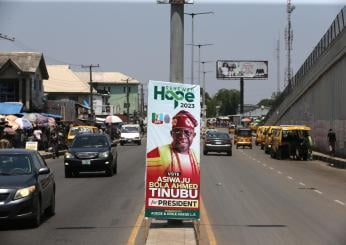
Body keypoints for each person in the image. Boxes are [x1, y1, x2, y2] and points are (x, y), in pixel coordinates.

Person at [146, 110, 199, 180]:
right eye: (177, 132)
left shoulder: (196, 155)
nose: (182, 136)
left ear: (194, 135)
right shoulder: (158, 153)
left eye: (187, 132)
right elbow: (151, 181)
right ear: (171, 134)